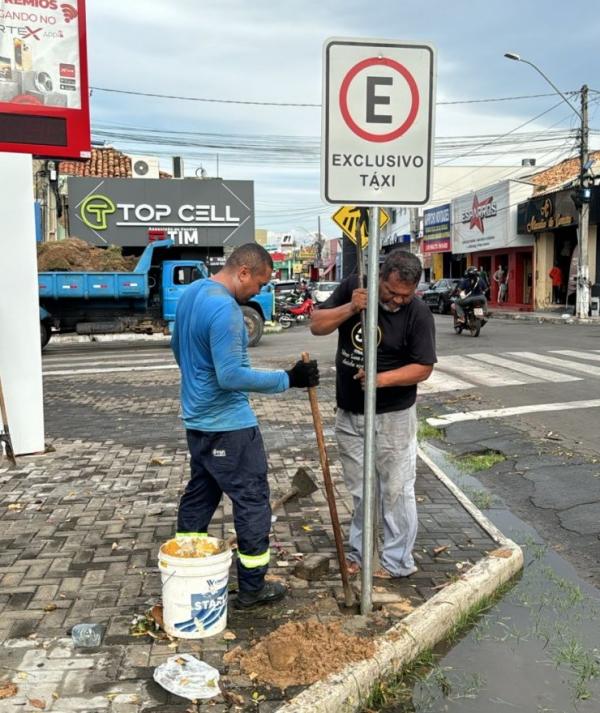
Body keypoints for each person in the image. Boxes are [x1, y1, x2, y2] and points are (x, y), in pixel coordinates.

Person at [172, 243, 319, 609]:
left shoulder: (193, 293)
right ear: (243, 273)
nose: (260, 291)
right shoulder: (226, 310)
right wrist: (289, 379)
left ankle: (184, 565)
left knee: (201, 493)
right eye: (260, 282)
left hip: (198, 422)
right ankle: (252, 588)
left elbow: (178, 348)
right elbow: (231, 375)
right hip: (229, 426)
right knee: (252, 502)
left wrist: (197, 382)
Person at [310, 250, 436, 579]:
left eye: (405, 296)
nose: (397, 300)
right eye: (392, 292)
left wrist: (381, 379)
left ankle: (397, 562)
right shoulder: (356, 286)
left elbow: (423, 368)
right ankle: (362, 555)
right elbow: (317, 325)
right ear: (381, 277)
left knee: (396, 490)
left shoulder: (418, 314)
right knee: (362, 491)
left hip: (393, 416)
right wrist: (352, 307)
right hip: (350, 413)